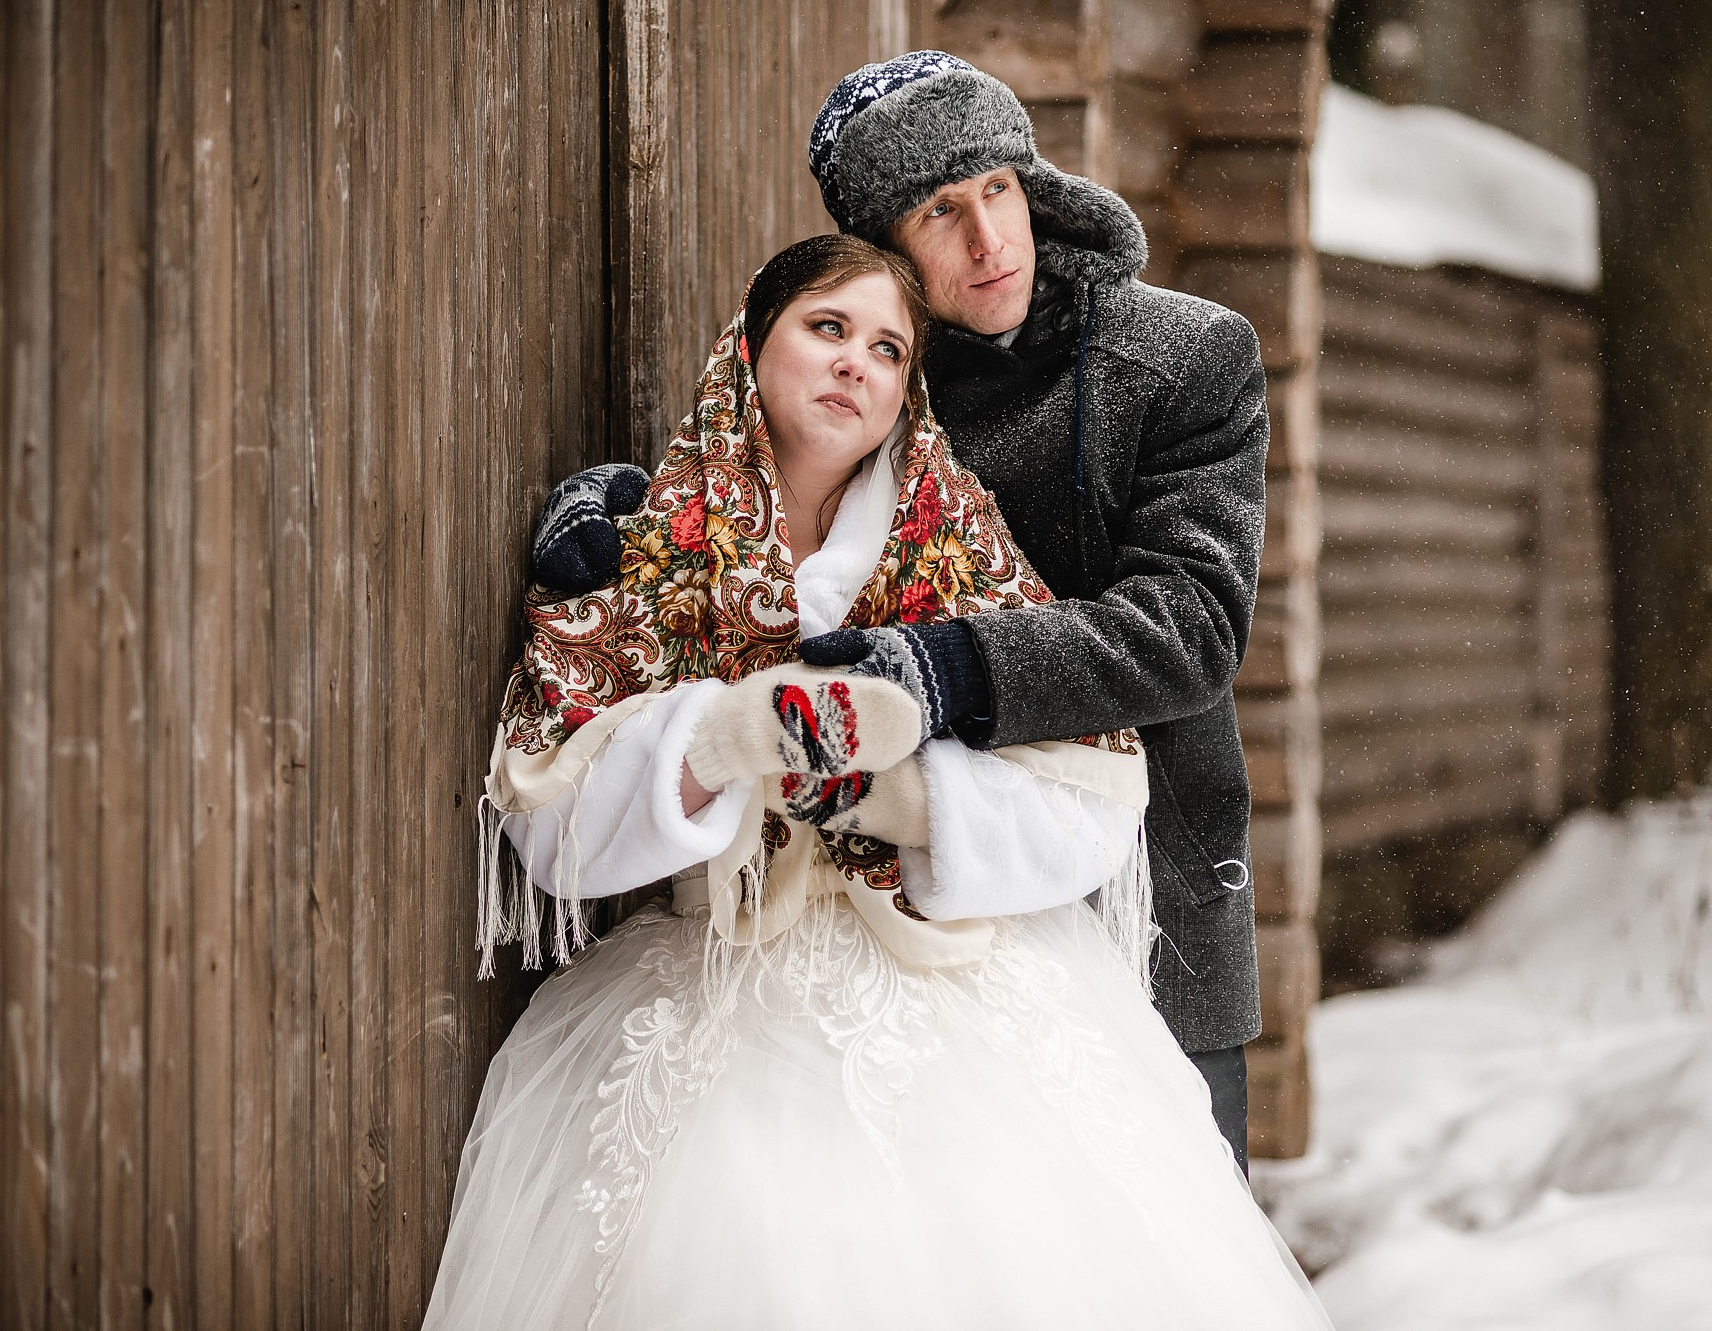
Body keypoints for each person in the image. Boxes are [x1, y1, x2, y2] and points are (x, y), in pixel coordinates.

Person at [424, 235, 1329, 1329]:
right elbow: (548, 820)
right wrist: (711, 746)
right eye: (827, 328)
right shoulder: (646, 554)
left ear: (908, 391)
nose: (857, 362)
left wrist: (900, 803)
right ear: (750, 345)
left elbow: (1098, 791)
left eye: (889, 348)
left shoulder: (954, 546)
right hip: (719, 975)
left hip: (959, 991)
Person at [532, 52, 1271, 1170]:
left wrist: (939, 670)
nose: (988, 240)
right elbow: (773, 479)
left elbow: (1190, 626)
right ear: (889, 250)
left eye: (999, 190)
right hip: (907, 920)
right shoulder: (886, 367)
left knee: (1160, 1223)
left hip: (1140, 868)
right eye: (940, 209)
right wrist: (628, 508)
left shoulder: (1182, 359)